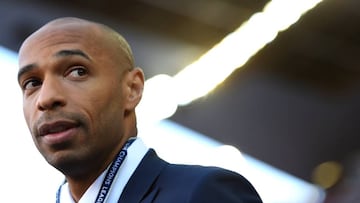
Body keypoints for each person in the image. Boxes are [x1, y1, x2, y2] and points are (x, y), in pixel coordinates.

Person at [17, 17, 262, 203]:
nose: (46, 98)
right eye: (32, 83)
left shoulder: (202, 194)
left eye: (77, 71)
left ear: (132, 89)